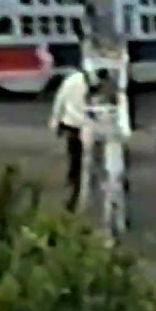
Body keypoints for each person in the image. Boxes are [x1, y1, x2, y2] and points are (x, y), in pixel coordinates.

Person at [49, 62, 103, 212]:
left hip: (73, 125)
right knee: (86, 158)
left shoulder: (71, 81)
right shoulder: (99, 84)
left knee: (75, 158)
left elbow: (59, 101)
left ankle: (74, 185)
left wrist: (56, 122)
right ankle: (80, 187)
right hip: (87, 126)